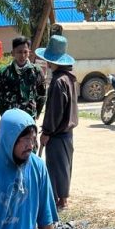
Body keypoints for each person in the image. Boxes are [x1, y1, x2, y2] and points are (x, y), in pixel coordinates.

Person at [36, 34, 79, 210]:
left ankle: (59, 200)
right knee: (65, 165)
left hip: (57, 132)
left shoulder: (58, 81)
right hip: (67, 133)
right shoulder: (70, 78)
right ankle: (62, 198)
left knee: (55, 166)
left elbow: (54, 111)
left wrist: (46, 131)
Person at [0, 36, 46, 120]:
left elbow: (42, 95)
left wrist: (37, 113)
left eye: (25, 52)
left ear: (29, 52)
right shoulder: (3, 73)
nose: (23, 55)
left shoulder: (36, 71)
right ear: (13, 53)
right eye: (19, 52)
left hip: (29, 117)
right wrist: (5, 116)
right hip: (11, 118)